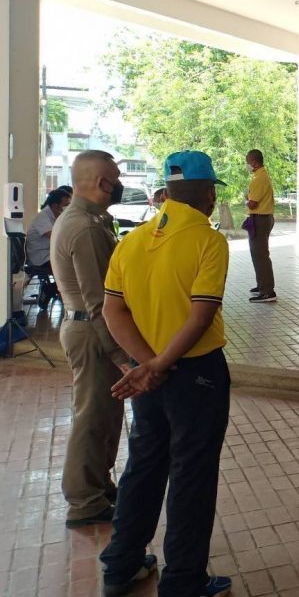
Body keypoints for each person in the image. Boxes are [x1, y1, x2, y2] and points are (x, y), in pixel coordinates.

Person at [99, 151, 232, 597]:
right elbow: (200, 315)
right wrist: (161, 363)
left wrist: (147, 364)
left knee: (144, 463)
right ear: (208, 193)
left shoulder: (131, 241)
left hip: (149, 374)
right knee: (192, 473)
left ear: (167, 192)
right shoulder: (208, 241)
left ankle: (121, 565)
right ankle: (182, 583)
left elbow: (113, 310)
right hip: (197, 374)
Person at [49, 152, 128, 528]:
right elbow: (99, 303)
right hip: (92, 332)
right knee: (93, 417)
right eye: (116, 177)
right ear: (101, 183)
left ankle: (98, 485)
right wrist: (121, 354)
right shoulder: (86, 228)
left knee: (105, 414)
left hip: (86, 328)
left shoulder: (85, 220)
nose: (119, 184)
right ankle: (84, 500)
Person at [26, 187, 72, 308]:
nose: (69, 208)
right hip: (41, 258)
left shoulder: (55, 216)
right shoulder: (43, 217)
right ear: (55, 206)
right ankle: (51, 289)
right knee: (72, 268)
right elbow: (56, 237)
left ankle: (53, 289)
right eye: (66, 205)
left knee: (76, 264)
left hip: (50, 254)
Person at [245, 149, 276, 303]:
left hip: (260, 220)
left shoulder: (258, 178)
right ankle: (262, 285)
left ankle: (267, 292)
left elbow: (253, 203)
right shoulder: (261, 175)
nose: (247, 165)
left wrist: (245, 200)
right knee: (258, 254)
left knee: (260, 255)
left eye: (247, 162)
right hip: (263, 218)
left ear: (254, 162)